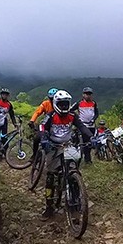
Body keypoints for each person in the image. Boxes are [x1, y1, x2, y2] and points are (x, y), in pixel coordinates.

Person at [37, 90, 92, 220]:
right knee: (50, 175)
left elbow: (82, 127)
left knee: (73, 169)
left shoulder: (73, 116)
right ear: (56, 104)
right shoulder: (50, 116)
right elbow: (42, 127)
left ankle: (75, 198)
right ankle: (49, 206)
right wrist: (44, 139)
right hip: (53, 146)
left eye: (66, 104)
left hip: (68, 145)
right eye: (61, 104)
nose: (64, 107)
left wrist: (91, 137)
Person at [71, 87, 99, 163]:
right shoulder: (79, 103)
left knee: (89, 143)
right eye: (86, 94)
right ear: (83, 95)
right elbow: (70, 110)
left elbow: (96, 113)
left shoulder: (94, 103)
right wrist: (76, 119)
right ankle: (77, 158)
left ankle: (87, 159)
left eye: (90, 94)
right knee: (81, 142)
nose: (88, 96)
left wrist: (93, 119)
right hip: (82, 126)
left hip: (91, 125)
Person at [29, 88, 58, 157]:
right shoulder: (45, 103)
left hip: (57, 125)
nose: (52, 100)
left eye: (53, 98)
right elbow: (37, 112)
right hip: (46, 124)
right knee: (37, 138)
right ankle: (34, 155)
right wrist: (32, 120)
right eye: (50, 98)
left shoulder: (60, 104)